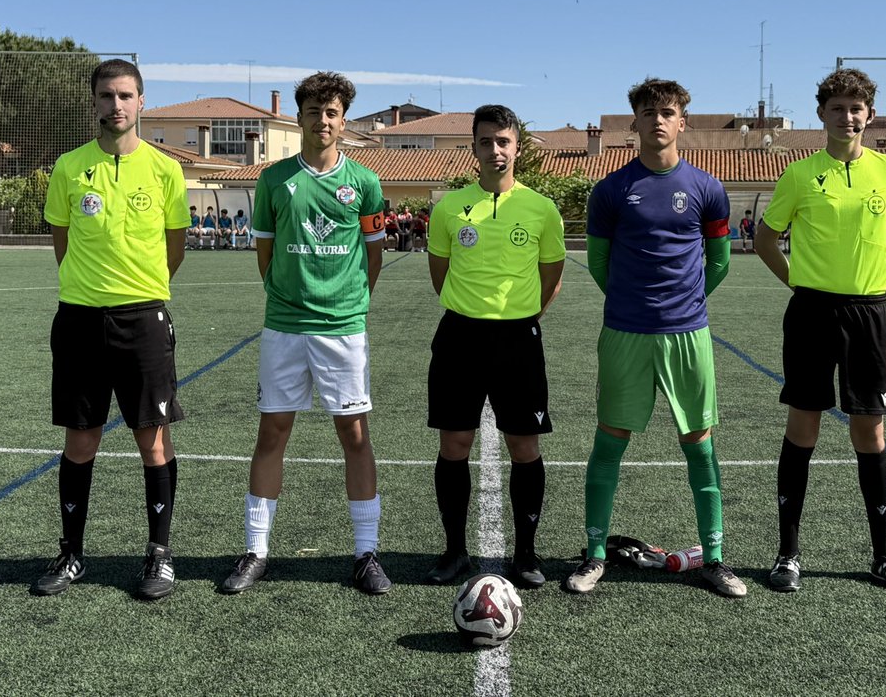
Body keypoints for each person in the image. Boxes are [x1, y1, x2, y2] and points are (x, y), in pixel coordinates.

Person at [564, 77, 746, 598]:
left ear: (682, 121)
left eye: (668, 112)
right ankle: (595, 553)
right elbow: (598, 263)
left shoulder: (709, 189)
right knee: (610, 441)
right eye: (649, 112)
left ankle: (714, 558)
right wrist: (633, 303)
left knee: (699, 443)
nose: (659, 120)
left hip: (688, 335)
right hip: (625, 332)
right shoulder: (612, 190)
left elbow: (719, 263)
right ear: (634, 124)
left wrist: (684, 303)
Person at [754, 68, 886, 594]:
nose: (847, 117)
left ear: (869, 116)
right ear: (822, 116)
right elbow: (765, 238)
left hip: (870, 314)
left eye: (856, 109)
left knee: (869, 430)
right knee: (803, 425)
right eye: (837, 108)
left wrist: (884, 280)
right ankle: (787, 555)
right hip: (811, 313)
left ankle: (884, 557)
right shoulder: (800, 174)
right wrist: (797, 283)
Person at [221, 71, 391, 596]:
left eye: (333, 112)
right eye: (314, 111)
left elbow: (374, 253)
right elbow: (265, 252)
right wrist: (287, 294)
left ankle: (366, 554)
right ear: (299, 118)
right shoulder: (274, 180)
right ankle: (256, 550)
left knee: (355, 434)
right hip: (286, 326)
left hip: (343, 326)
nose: (323, 120)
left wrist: (349, 300)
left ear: (344, 121)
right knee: (273, 432)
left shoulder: (363, 182)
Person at [33, 58, 189, 600]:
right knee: (81, 440)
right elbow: (62, 244)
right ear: (94, 102)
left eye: (126, 96)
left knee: (153, 440)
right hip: (78, 320)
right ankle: (71, 554)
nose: (116, 106)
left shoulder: (166, 171)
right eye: (106, 96)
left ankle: (160, 557)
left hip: (144, 319)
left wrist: (139, 292)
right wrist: (92, 291)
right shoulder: (68, 168)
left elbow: (174, 251)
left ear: (141, 102)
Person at [424, 104, 565, 589]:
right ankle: (454, 551)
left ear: (517, 147)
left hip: (518, 338)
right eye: (486, 142)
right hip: (460, 336)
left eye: (504, 141)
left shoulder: (541, 209)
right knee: (454, 443)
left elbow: (552, 278)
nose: (495, 150)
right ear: (474, 148)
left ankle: (526, 554)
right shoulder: (448, 207)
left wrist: (520, 317)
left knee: (524, 446)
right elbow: (439, 274)